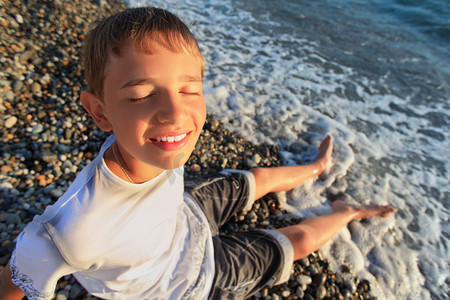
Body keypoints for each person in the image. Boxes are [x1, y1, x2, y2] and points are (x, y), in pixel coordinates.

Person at [0, 7, 396, 300]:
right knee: (293, 240)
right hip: (189, 281)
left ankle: (315, 167)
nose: (176, 113)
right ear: (99, 111)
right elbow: (14, 281)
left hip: (183, 213)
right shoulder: (73, 231)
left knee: (250, 180)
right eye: (141, 95)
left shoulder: (154, 145)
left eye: (189, 89)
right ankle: (347, 211)